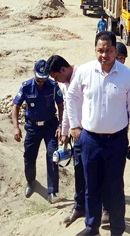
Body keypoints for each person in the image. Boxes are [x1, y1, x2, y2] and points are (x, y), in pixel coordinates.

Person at [66, 31, 130, 236]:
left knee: (114, 187)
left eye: (108, 50)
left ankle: (117, 230)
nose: (104, 55)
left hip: (116, 141)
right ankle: (92, 228)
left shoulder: (127, 76)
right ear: (95, 50)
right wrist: (74, 126)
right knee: (91, 185)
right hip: (89, 140)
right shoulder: (84, 72)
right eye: (100, 50)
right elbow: (71, 96)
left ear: (114, 50)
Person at [11, 59, 63, 204]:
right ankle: (31, 182)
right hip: (33, 128)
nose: (41, 81)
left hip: (50, 126)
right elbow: (16, 105)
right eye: (39, 78)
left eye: (44, 78)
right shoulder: (26, 87)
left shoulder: (53, 86)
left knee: (52, 156)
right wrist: (16, 127)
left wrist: (60, 125)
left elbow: (60, 104)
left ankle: (52, 192)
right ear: (34, 73)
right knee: (29, 156)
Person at [47, 55, 87, 227]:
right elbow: (68, 110)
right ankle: (79, 208)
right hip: (76, 136)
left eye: (56, 77)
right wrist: (64, 132)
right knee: (79, 171)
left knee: (96, 172)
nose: (57, 81)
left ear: (63, 70)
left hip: (93, 132)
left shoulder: (84, 75)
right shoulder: (64, 85)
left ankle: (103, 208)